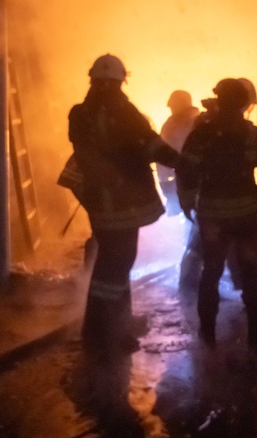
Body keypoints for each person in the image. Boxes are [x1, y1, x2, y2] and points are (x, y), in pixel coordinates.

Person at [68, 53, 179, 358]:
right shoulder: (125, 112)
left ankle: (114, 327)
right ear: (121, 82)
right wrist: (183, 162)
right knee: (114, 269)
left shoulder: (80, 114)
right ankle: (104, 335)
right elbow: (151, 145)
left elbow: (86, 153)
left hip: (100, 205)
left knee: (112, 266)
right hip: (124, 204)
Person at [176, 78, 257, 347]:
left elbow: (186, 171)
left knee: (210, 272)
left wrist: (188, 204)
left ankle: (207, 333)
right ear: (244, 103)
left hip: (212, 217)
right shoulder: (253, 135)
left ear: (219, 101)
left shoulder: (202, 135)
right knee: (250, 271)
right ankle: (256, 330)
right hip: (246, 217)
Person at [158, 90, 200, 215]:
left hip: (181, 182)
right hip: (199, 184)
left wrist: (167, 186)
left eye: (173, 106)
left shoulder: (171, 126)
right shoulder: (201, 122)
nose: (171, 109)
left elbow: (162, 158)